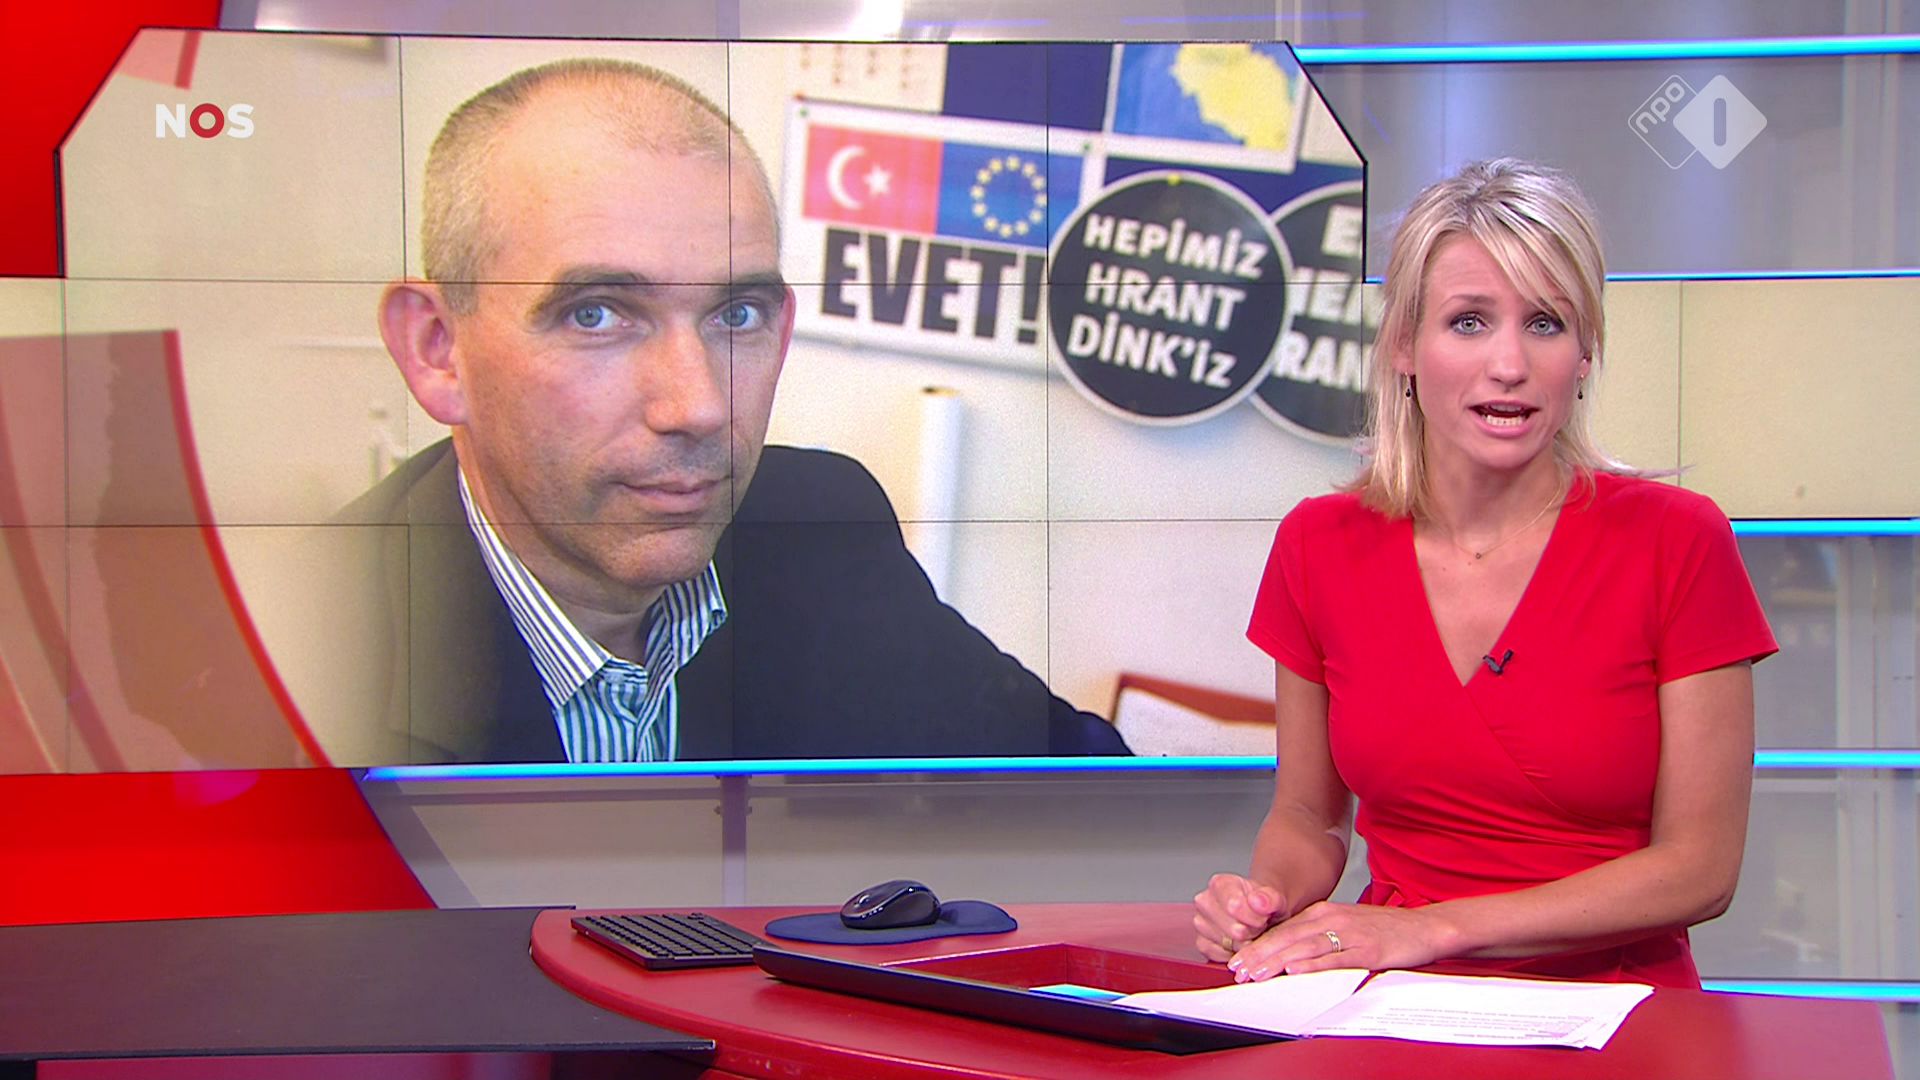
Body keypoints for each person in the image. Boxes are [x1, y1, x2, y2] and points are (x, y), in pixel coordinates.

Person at [337, 57, 1127, 764]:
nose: (700, 406)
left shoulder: (820, 529)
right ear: (438, 350)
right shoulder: (299, 664)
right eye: (597, 314)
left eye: (736, 315)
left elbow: (1096, 789)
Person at [1193, 159, 1776, 988]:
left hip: (1613, 1009)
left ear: (1584, 354)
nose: (1510, 363)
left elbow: (1701, 869)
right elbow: (1310, 815)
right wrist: (1267, 895)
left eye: (1546, 323)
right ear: (1404, 345)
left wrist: (1434, 930)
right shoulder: (1318, 544)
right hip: (1392, 998)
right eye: (1468, 322)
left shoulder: (1676, 540)